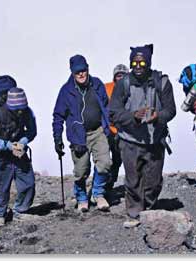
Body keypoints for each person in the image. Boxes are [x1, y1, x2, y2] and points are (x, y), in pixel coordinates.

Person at [109, 44, 176, 228]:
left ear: (149, 62)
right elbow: (113, 112)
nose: (138, 65)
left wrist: (158, 116)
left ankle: (150, 210)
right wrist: (132, 117)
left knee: (153, 181)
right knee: (133, 180)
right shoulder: (124, 83)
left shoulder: (162, 82)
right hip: (130, 141)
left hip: (155, 141)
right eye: (134, 62)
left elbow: (170, 110)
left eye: (142, 62)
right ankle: (134, 213)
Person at [52, 54, 112, 212]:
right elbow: (58, 116)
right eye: (77, 71)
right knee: (81, 171)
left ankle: (98, 194)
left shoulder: (97, 84)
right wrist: (57, 138)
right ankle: (81, 197)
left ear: (88, 69)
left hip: (98, 131)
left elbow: (106, 106)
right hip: (78, 135)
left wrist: (109, 127)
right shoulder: (66, 91)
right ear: (72, 72)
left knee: (105, 163)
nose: (81, 74)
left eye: (83, 70)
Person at [0, 87, 37, 227]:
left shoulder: (27, 112)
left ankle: (21, 210)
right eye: (17, 110)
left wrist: (22, 142)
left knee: (28, 182)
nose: (20, 112)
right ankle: (0, 214)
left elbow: (31, 131)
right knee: (0, 186)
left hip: (18, 152)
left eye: (22, 109)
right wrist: (8, 145)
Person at [103, 64, 129, 195]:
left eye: (123, 75)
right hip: (110, 130)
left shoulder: (133, 89)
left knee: (122, 159)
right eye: (118, 75)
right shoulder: (106, 88)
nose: (120, 77)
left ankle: (130, 185)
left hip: (126, 130)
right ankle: (106, 185)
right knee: (109, 160)